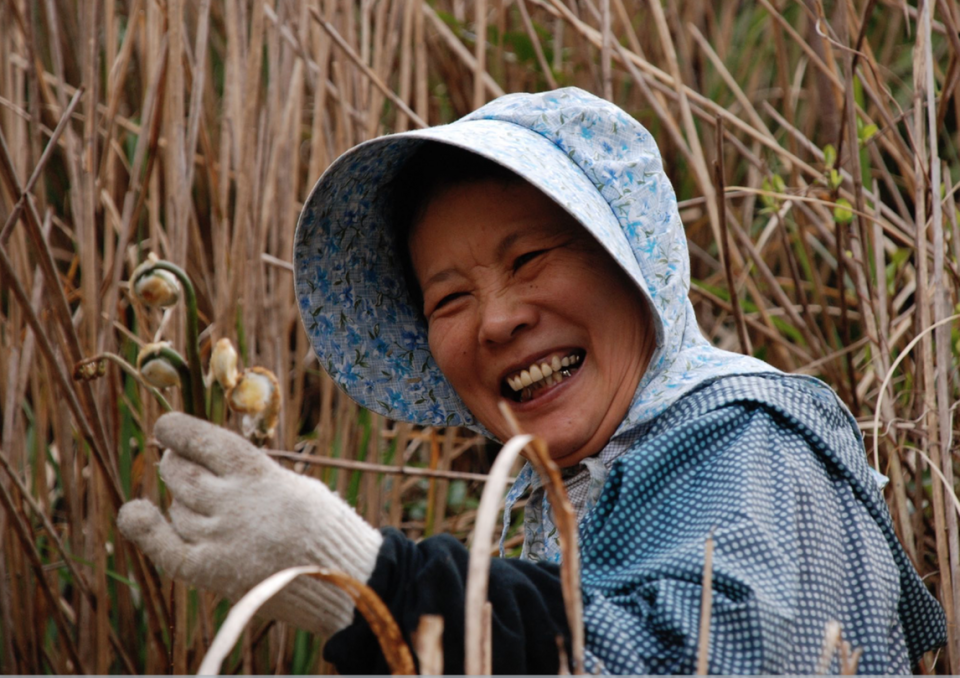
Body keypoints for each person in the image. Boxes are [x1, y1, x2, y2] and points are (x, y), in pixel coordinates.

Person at [118, 88, 945, 674]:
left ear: (635, 265)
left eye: (531, 258)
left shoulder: (744, 444)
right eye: (449, 298)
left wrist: (372, 581)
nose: (496, 320)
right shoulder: (587, 482)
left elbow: (708, 656)